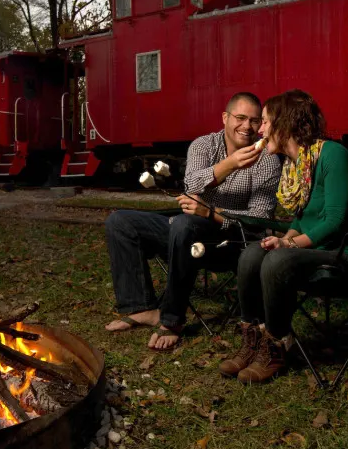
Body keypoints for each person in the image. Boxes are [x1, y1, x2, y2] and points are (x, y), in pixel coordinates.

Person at [105, 92, 281, 351]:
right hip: (189, 230)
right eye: (240, 118)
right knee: (120, 221)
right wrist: (229, 164)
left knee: (184, 225)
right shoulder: (204, 145)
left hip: (231, 240)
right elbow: (192, 185)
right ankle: (141, 308)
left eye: (255, 121)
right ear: (225, 117)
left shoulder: (267, 159)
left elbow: (259, 220)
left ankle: (172, 320)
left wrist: (212, 213)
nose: (247, 126)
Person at [219, 89, 348, 383]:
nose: (260, 129)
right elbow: (302, 218)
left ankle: (277, 344)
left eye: (265, 121)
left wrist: (288, 243)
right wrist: (286, 236)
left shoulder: (333, 155)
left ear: (285, 123)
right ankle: (252, 338)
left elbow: (334, 221)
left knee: (277, 260)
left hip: (341, 253)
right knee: (253, 252)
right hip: (311, 250)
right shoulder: (297, 164)